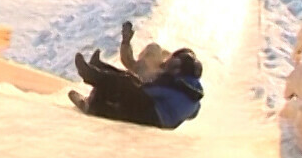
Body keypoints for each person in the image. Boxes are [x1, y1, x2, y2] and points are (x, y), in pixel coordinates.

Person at [69, 47, 204, 130]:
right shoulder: (195, 95)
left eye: (174, 63)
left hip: (152, 116)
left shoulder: (174, 83)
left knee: (127, 84)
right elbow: (193, 115)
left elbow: (147, 90)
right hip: (160, 123)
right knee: (129, 83)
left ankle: (91, 76)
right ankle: (98, 68)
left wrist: (133, 88)